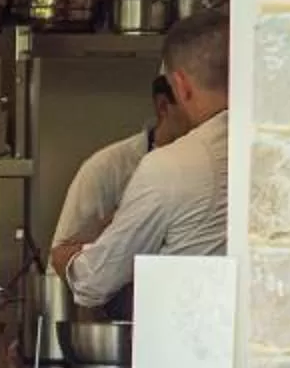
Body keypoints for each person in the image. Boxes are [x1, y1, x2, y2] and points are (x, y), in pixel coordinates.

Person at [56, 7, 230, 313]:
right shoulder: (278, 146)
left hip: (188, 346)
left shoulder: (170, 167)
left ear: (181, 86)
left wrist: (66, 257)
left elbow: (92, 282)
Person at [51, 73, 188, 265]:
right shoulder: (107, 168)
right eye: (190, 102)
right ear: (163, 106)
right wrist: (114, 236)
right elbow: (61, 259)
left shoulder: (222, 169)